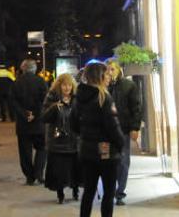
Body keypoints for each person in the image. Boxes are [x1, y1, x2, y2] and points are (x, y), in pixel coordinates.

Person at [72, 62, 126, 217]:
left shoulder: (79, 97)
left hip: (87, 151)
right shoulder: (104, 98)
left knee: (88, 191)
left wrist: (86, 136)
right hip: (106, 152)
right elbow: (113, 127)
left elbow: (73, 124)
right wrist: (121, 143)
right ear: (100, 77)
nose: (109, 77)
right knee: (109, 192)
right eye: (107, 74)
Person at [106, 60, 142, 206]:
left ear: (119, 70)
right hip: (106, 132)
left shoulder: (129, 86)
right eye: (107, 69)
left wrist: (135, 127)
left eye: (112, 69)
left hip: (123, 129)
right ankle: (110, 189)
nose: (110, 72)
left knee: (122, 160)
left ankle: (120, 192)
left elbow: (136, 108)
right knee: (107, 160)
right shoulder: (103, 87)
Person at [41, 73, 79, 204]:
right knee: (59, 170)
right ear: (59, 86)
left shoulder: (77, 99)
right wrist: (53, 108)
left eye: (69, 85)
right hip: (57, 142)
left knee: (75, 168)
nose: (67, 88)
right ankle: (60, 194)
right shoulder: (52, 97)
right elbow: (44, 117)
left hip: (74, 141)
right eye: (64, 85)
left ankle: (75, 190)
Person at [11, 59, 48, 185]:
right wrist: (36, 114)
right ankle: (39, 172)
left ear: (22, 69)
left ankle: (29, 176)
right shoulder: (41, 81)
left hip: (23, 123)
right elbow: (45, 101)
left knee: (25, 150)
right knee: (42, 148)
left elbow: (13, 102)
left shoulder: (17, 82)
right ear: (35, 69)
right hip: (38, 123)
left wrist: (25, 114)